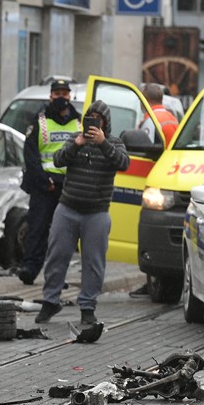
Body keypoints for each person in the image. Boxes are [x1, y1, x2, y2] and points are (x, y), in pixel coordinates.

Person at [35, 100, 130, 325]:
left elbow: (124, 163)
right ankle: (50, 302)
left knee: (93, 263)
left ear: (105, 123)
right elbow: (58, 160)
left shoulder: (114, 143)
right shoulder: (75, 139)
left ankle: (88, 307)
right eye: (90, 117)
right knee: (56, 257)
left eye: (99, 118)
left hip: (96, 213)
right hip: (67, 209)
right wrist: (76, 144)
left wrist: (103, 143)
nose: (93, 122)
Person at [16, 78, 81, 285]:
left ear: (70, 96)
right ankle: (29, 268)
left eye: (64, 94)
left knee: (64, 235)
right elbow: (31, 156)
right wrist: (45, 182)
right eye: (57, 94)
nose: (61, 97)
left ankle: (56, 275)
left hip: (69, 188)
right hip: (45, 186)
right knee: (37, 228)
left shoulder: (79, 122)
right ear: (50, 96)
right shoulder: (39, 121)